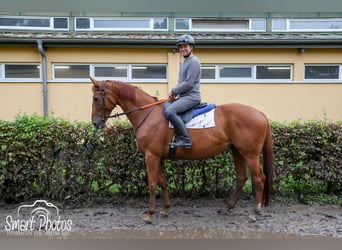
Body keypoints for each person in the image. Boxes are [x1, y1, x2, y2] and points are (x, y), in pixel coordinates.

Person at [163, 34, 201, 148]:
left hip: (191, 97)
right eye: (180, 47)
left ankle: (185, 140)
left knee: (170, 112)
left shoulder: (194, 61)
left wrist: (173, 90)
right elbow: (181, 83)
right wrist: (176, 94)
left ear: (191, 47)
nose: (182, 49)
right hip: (183, 96)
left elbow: (189, 84)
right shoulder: (184, 63)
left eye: (185, 46)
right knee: (165, 105)